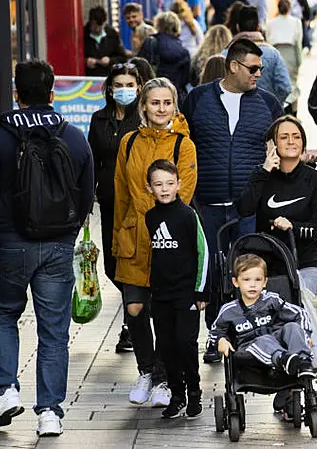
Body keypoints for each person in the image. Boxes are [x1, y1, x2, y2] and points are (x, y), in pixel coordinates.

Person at [0, 60, 94, 438]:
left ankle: (5, 390)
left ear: (15, 94)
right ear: (53, 94)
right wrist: (68, 234)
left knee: (3, 314)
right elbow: (87, 194)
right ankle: (50, 412)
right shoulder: (72, 135)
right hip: (57, 246)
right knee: (53, 331)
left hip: (11, 244)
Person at [180, 38, 286, 363]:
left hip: (247, 205)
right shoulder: (197, 100)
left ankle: (249, 337)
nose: (258, 74)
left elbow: (282, 143)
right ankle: (216, 337)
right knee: (212, 271)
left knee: (246, 272)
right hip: (207, 202)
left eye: (261, 68)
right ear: (234, 66)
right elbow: (182, 144)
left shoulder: (268, 103)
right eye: (253, 68)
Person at [113, 77, 197, 407]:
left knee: (165, 313)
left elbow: (185, 195)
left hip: (169, 242)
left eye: (166, 102)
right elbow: (120, 192)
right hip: (134, 239)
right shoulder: (129, 142)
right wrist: (119, 236)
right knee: (134, 308)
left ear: (174, 106)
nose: (160, 108)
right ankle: (146, 371)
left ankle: (164, 378)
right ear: (143, 106)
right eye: (154, 102)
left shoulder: (184, 144)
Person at [144, 159, 209, 420]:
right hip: (161, 295)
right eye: (158, 184)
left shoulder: (188, 215)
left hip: (186, 295)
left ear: (179, 184)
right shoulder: (150, 218)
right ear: (149, 188)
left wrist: (201, 292)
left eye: (170, 183)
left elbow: (203, 253)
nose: (164, 189)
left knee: (186, 344)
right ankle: (177, 394)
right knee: (167, 347)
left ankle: (194, 391)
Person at [87, 62, 143, 354]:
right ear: (109, 88)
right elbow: (92, 161)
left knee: (132, 262)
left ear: (139, 88)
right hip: (109, 202)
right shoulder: (99, 120)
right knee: (112, 265)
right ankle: (136, 309)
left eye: (129, 85)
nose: (123, 91)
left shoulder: (143, 120)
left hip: (138, 203)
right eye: (118, 85)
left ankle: (131, 324)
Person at [237, 116, 317, 294]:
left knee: (303, 315)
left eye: (296, 136)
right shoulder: (261, 174)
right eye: (284, 137)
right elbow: (244, 209)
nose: (291, 141)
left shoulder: (315, 179)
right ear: (272, 144)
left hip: (304, 262)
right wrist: (265, 169)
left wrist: (292, 227)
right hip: (268, 265)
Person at [207, 254, 315, 377]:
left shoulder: (272, 300)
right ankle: (283, 360)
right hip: (249, 348)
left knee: (292, 327)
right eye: (246, 280)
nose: (252, 285)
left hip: (276, 340)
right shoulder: (229, 310)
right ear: (236, 282)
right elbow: (215, 332)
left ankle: (303, 361)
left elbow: (300, 313)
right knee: (264, 340)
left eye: (257, 280)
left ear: (264, 282)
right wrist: (221, 340)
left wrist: (305, 335)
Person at [229, 6, 293, 104]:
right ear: (258, 27)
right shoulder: (273, 54)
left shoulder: (226, 54)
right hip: (266, 111)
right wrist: (273, 105)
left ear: (238, 27)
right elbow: (285, 87)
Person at [140, 12, 192, 99]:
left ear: (158, 24)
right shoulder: (183, 51)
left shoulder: (150, 42)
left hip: (151, 92)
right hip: (174, 95)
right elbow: (185, 79)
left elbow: (141, 66)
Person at [267, 0, 304, 114]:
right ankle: (294, 113)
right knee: (293, 84)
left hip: (276, 52)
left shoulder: (270, 23)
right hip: (291, 52)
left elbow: (268, 40)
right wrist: (299, 60)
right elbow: (298, 42)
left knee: (276, 83)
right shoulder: (296, 22)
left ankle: (278, 110)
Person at [84, 5, 128, 77]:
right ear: (90, 22)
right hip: (89, 79)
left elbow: (123, 57)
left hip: (109, 77)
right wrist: (85, 61)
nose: (97, 29)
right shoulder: (82, 34)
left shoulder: (113, 34)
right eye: (95, 26)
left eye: (100, 26)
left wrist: (110, 60)